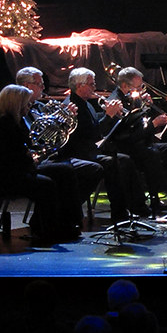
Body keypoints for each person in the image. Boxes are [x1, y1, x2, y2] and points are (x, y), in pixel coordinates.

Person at [0, 84, 83, 243]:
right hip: (12, 177)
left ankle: (69, 222)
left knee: (65, 171)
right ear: (16, 104)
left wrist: (32, 155)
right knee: (47, 185)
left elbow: (22, 151)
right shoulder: (5, 125)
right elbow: (13, 158)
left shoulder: (15, 122)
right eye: (26, 103)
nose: (29, 106)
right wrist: (30, 157)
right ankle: (47, 231)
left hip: (22, 169)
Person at [59, 68, 149, 221]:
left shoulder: (85, 103)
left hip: (89, 151)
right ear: (80, 86)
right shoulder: (72, 106)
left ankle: (136, 206)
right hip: (79, 154)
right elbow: (92, 134)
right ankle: (120, 213)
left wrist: (113, 115)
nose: (95, 88)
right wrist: (109, 115)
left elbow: (95, 127)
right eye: (91, 84)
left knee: (124, 160)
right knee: (112, 162)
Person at [105, 67, 167, 212]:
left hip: (142, 144)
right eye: (138, 87)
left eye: (142, 86)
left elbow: (142, 126)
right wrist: (154, 125)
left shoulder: (134, 98)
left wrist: (149, 108)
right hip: (126, 148)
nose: (141, 90)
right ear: (124, 86)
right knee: (151, 153)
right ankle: (154, 200)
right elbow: (128, 136)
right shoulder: (115, 103)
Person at [15, 66, 104, 212]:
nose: (44, 87)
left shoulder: (39, 107)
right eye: (39, 84)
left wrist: (63, 122)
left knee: (77, 169)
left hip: (50, 156)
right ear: (26, 86)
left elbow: (56, 136)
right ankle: (67, 211)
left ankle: (67, 211)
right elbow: (33, 140)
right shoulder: (19, 112)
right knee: (69, 171)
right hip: (36, 161)